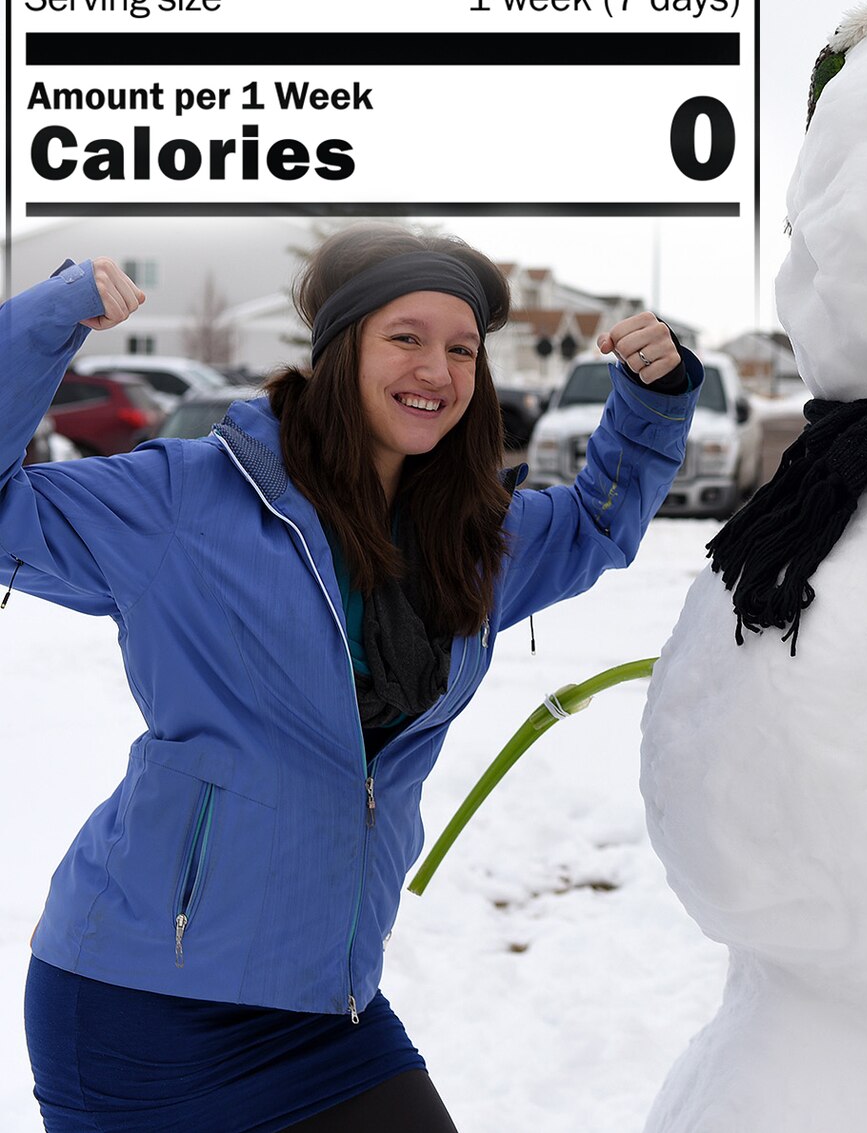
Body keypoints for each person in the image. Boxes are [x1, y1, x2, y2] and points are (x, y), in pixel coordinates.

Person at [5, 224, 703, 1131]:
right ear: (342, 351)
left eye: (462, 348)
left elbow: (597, 526)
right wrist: (55, 315)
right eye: (405, 337)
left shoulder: (469, 542)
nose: (439, 370)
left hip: (326, 1016)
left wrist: (653, 400)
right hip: (140, 1008)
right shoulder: (185, 500)